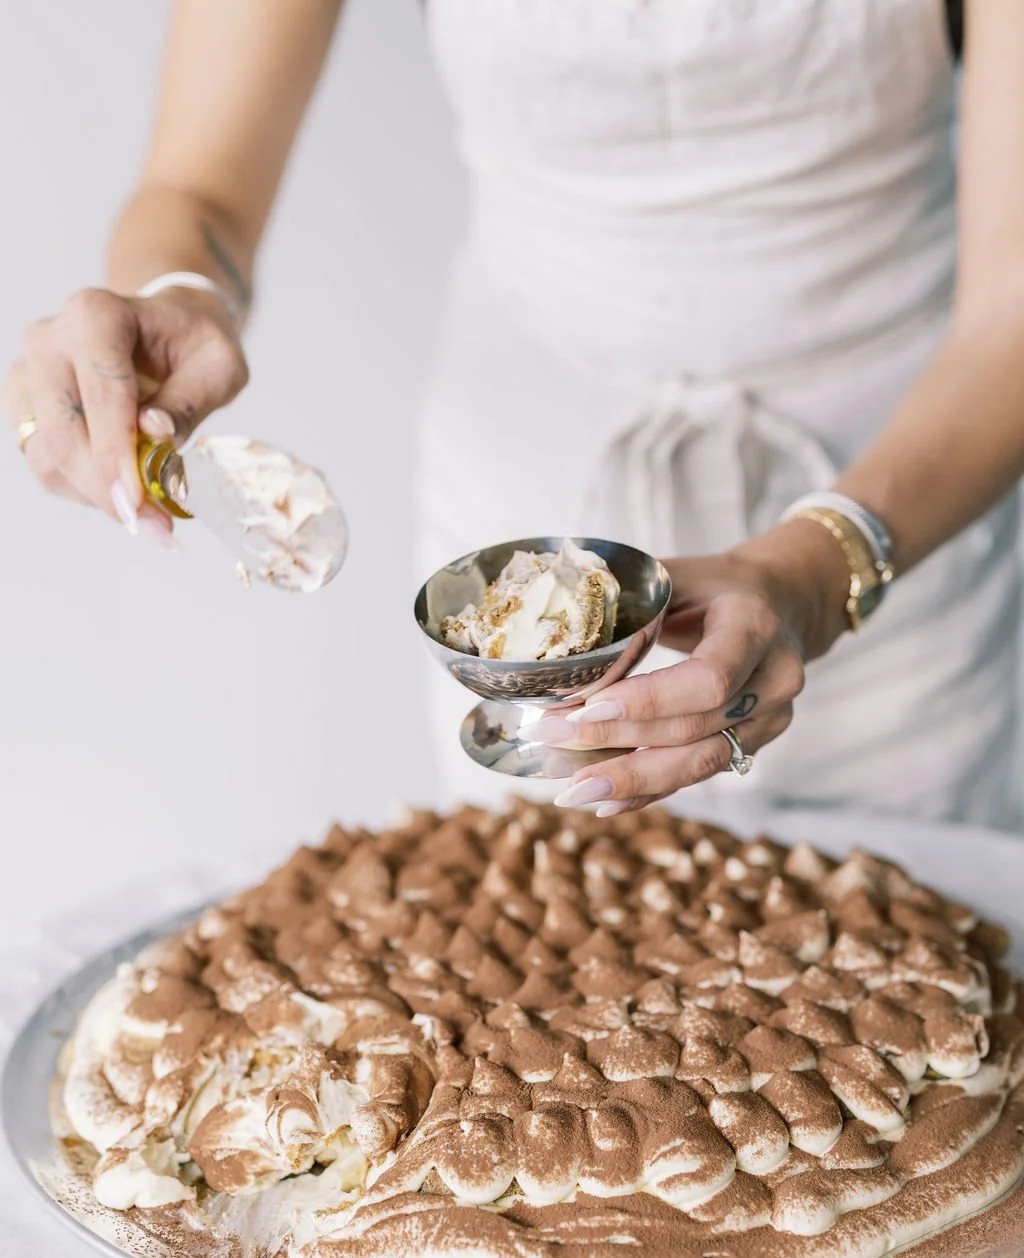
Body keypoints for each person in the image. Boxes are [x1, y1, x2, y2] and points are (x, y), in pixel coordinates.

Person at [5, 0, 1023, 830]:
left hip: (899, 512)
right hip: (524, 555)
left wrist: (821, 563)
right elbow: (197, 189)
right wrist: (177, 294)